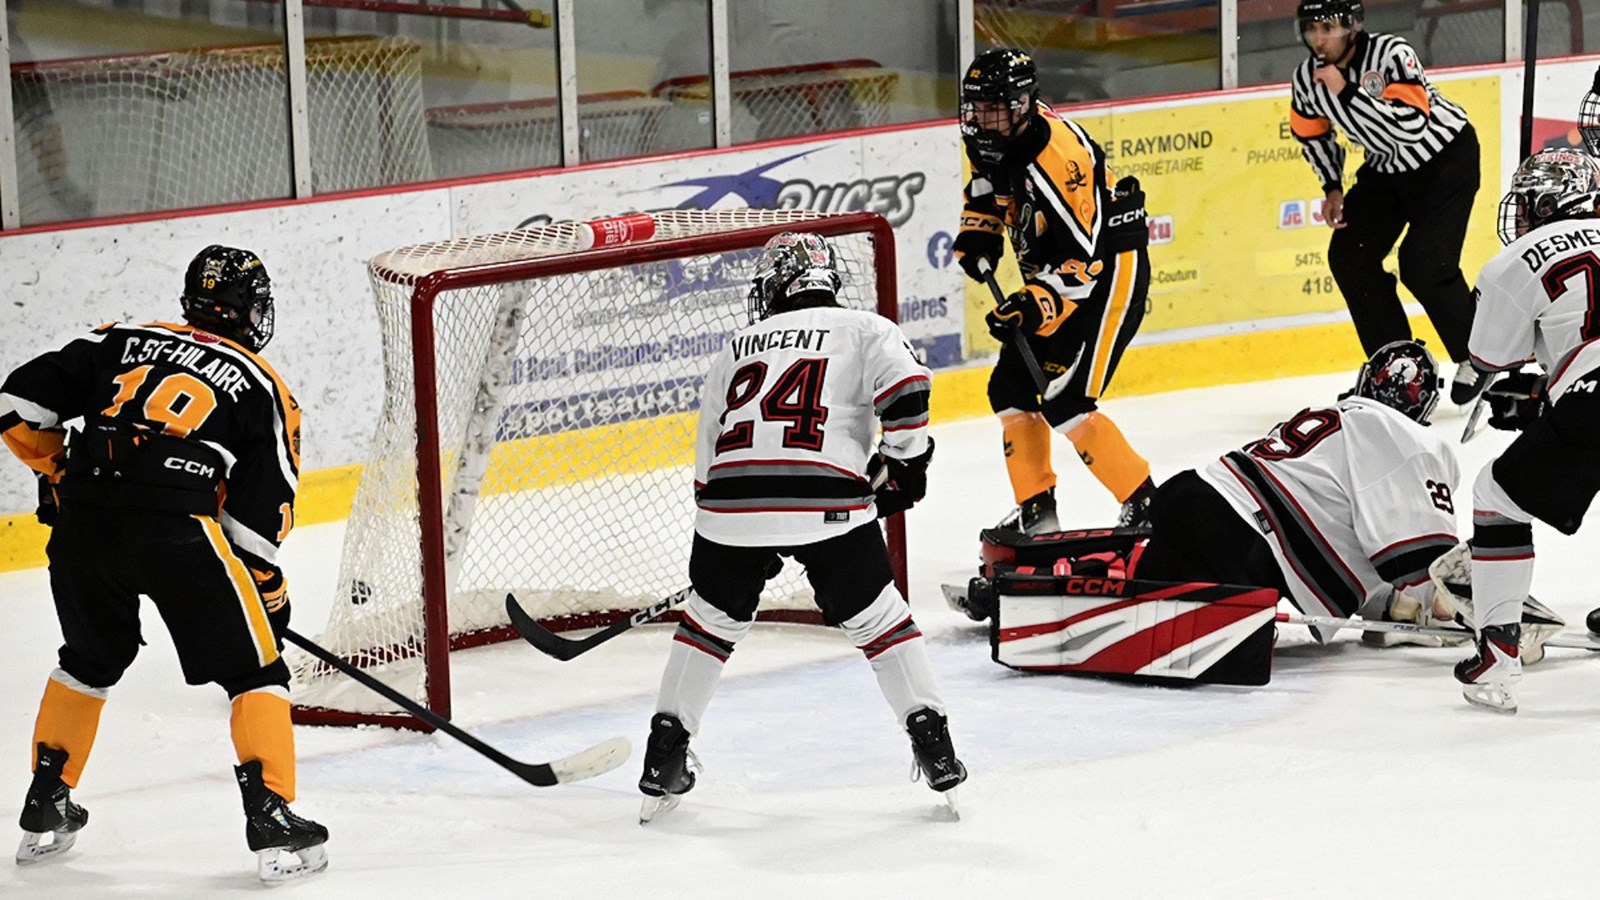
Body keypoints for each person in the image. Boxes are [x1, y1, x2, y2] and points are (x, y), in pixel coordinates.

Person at [0, 246, 328, 881]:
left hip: (84, 527)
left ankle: (47, 799)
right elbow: (256, 526)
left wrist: (59, 471)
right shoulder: (264, 386)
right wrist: (268, 595)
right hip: (177, 534)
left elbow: (16, 404)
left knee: (88, 660)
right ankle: (273, 817)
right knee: (256, 670)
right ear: (249, 313)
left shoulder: (120, 339)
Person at [638, 232, 963, 821]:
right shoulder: (867, 328)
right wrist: (907, 463)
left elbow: (707, 459)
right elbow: (909, 392)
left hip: (727, 510)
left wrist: (741, 533)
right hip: (829, 502)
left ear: (775, 287)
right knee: (880, 621)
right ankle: (933, 743)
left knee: (710, 622)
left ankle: (665, 751)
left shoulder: (737, 344)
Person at [953, 47, 1156, 537]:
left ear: (1022, 105)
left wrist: (1031, 304)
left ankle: (1148, 505)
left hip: (1109, 275)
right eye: (975, 107)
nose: (981, 118)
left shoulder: (1058, 161)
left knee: (1065, 400)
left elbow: (1086, 264)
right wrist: (980, 233)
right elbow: (986, 190)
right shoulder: (992, 139)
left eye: (993, 108)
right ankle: (1037, 514)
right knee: (1011, 390)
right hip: (1055, 276)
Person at [1136, 340, 1460, 645]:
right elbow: (1422, 562)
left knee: (1147, 600)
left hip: (1190, 493)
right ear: (1424, 406)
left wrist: (1390, 608)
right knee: (1220, 635)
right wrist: (1457, 607)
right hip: (1241, 544)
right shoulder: (1408, 440)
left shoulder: (1331, 415)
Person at [1449, 148, 1600, 713]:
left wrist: (1508, 385)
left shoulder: (1517, 258)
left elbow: (1488, 357)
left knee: (1495, 496)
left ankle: (1497, 653)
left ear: (1543, 204)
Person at [1289, 0, 1489, 407]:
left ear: (1353, 26)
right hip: (1386, 168)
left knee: (1425, 264)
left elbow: (1411, 127)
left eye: (1327, 26)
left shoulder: (1392, 55)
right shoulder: (1305, 78)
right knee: (1350, 256)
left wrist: (1346, 92)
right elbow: (1312, 134)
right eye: (1311, 28)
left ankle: (1481, 357)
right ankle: (1396, 369)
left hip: (1445, 160)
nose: (1318, 37)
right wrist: (1332, 186)